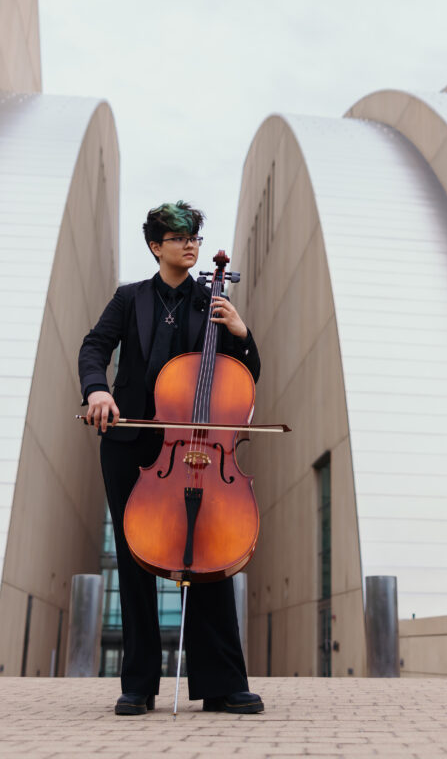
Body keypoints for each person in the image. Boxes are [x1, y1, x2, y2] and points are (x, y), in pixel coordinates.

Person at [78, 201, 263, 716]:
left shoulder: (214, 302)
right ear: (156, 246)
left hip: (199, 447)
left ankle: (222, 683)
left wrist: (243, 335)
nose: (190, 245)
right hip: (132, 445)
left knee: (210, 557)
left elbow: (245, 376)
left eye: (195, 238)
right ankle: (138, 685)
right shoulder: (129, 298)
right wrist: (97, 391)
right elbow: (94, 347)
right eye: (179, 237)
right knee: (136, 560)